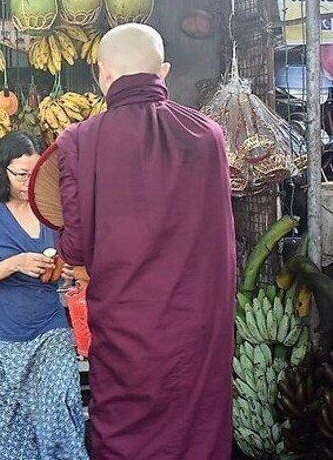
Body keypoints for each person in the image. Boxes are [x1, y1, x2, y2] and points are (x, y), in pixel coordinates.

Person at [52, 23, 236, 459]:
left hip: (127, 327)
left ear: (103, 73)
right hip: (198, 327)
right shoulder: (208, 134)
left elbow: (74, 248)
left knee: (126, 435)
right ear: (164, 72)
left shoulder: (79, 141)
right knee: (197, 429)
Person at [0, 131, 88, 460]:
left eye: (35, 174)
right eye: (21, 174)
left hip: (48, 329)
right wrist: (15, 263)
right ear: (1, 170)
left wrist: (68, 270)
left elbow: (72, 260)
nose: (28, 182)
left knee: (60, 413)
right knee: (11, 426)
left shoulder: (52, 210)